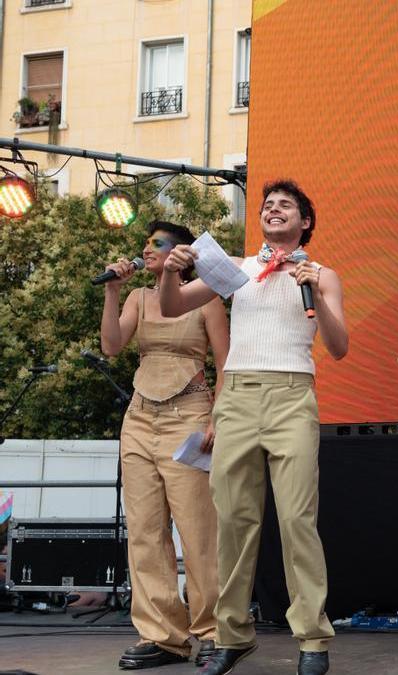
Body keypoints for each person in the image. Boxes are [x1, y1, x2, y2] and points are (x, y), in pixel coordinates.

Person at [159, 180, 349, 675]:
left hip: (291, 395)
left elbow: (339, 345)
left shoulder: (320, 274)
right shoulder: (238, 269)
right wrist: (170, 275)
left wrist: (313, 289)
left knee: (296, 520)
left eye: (285, 205)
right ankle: (231, 635)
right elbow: (173, 305)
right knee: (235, 522)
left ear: (305, 221)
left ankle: (311, 638)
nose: (273, 209)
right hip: (238, 397)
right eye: (267, 205)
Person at [99, 221, 228, 670]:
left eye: (157, 243)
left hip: (188, 415)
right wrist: (113, 291)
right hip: (139, 417)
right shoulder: (138, 297)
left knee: (198, 532)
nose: (146, 250)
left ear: (181, 253)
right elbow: (113, 345)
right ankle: (162, 636)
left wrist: (218, 416)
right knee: (145, 533)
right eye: (145, 244)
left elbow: (225, 363)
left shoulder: (205, 296)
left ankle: (213, 631)